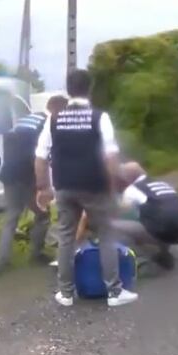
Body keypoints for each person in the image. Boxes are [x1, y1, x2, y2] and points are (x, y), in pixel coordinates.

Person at [35, 70, 138, 308]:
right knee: (106, 235)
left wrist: (44, 187)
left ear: (68, 90)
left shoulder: (53, 119)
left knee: (66, 238)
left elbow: (40, 157)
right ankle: (114, 292)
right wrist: (115, 185)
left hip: (64, 186)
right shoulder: (99, 117)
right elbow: (110, 157)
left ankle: (66, 293)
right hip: (95, 186)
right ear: (89, 89)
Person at [0, 95, 68, 274]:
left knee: (11, 217)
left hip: (9, 173)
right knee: (43, 215)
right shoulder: (48, 125)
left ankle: (0, 262)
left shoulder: (24, 120)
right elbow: (44, 157)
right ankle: (36, 254)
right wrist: (44, 186)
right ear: (57, 110)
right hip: (27, 176)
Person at [111, 162, 178, 272]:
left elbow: (122, 211)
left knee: (112, 224)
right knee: (158, 218)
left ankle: (139, 259)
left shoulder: (132, 189)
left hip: (163, 230)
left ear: (128, 177)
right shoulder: (161, 183)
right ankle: (163, 254)